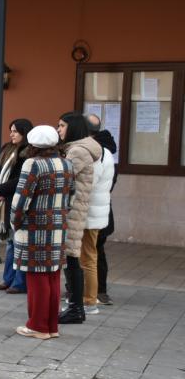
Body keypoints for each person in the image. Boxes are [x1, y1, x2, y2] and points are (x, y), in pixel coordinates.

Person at [11, 125, 75, 339]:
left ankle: (37, 326)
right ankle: (51, 326)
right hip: (58, 227)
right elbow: (71, 197)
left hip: (34, 229)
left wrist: (15, 222)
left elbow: (21, 200)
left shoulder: (33, 164)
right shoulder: (67, 164)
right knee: (52, 276)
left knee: (36, 278)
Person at [57, 112, 102, 324]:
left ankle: (76, 308)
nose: (59, 130)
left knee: (72, 258)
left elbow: (63, 179)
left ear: (73, 128)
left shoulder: (77, 151)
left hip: (72, 211)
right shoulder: (80, 149)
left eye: (62, 126)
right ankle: (75, 306)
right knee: (71, 257)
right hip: (75, 209)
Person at [0, 119, 33, 294]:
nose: (11, 134)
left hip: (17, 201)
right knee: (10, 242)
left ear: (24, 132)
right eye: (10, 130)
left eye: (15, 131)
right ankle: (8, 279)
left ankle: (20, 282)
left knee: (18, 242)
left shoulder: (28, 153)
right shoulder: (7, 149)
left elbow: (20, 179)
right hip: (4, 199)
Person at [81, 115, 115, 315]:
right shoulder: (106, 152)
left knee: (88, 258)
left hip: (90, 212)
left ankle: (89, 300)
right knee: (90, 256)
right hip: (97, 211)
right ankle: (88, 298)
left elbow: (88, 184)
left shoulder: (96, 153)